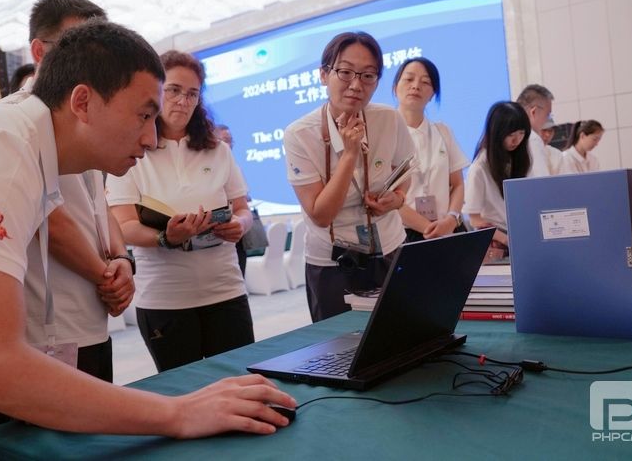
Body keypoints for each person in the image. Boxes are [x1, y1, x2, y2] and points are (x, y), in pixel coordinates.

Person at [0, 21, 295, 458]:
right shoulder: (1, 151)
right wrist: (179, 413)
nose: (151, 138)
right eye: (144, 115)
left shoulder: (24, 152)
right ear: (82, 102)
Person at [0, 0, 129, 384]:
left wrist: (123, 259)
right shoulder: (14, 119)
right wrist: (107, 276)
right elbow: (47, 219)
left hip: (92, 315)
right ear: (39, 51)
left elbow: (97, 204)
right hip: (48, 325)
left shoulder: (84, 112)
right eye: (77, 48)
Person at [107, 50, 256, 373]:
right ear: (155, 92)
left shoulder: (218, 149)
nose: (183, 101)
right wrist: (166, 237)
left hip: (226, 290)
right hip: (165, 299)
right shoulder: (131, 151)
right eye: (173, 90)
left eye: (192, 94)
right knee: (183, 389)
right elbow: (123, 225)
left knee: (241, 382)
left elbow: (243, 209)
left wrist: (239, 225)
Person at [283, 31, 414, 322]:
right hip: (332, 263)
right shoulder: (299, 134)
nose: (356, 85)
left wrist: (397, 198)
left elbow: (405, 171)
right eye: (345, 72)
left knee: (400, 334)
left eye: (368, 76)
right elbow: (321, 214)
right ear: (323, 75)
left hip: (390, 250)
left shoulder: (389, 119)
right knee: (339, 345)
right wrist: (350, 153)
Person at [393, 57, 468, 241]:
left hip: (447, 229)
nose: (416, 86)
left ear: (433, 93)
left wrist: (451, 218)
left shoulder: (442, 131)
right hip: (403, 233)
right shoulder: (385, 134)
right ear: (395, 87)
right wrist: (429, 228)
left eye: (425, 82)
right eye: (409, 79)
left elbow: (458, 184)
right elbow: (386, 197)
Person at [463, 101, 532, 255]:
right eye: (511, 134)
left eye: (521, 133)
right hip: (497, 242)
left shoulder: (518, 159)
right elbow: (475, 219)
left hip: (517, 236)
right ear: (496, 133)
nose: (517, 140)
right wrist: (508, 241)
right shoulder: (479, 168)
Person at [214, 123, 248, 276]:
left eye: (230, 140)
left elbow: (242, 205)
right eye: (224, 140)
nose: (228, 144)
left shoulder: (234, 167)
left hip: (234, 230)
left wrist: (241, 221)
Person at [515, 84, 554, 177]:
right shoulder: (532, 139)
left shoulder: (513, 135)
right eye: (547, 114)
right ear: (534, 112)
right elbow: (542, 180)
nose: (547, 120)